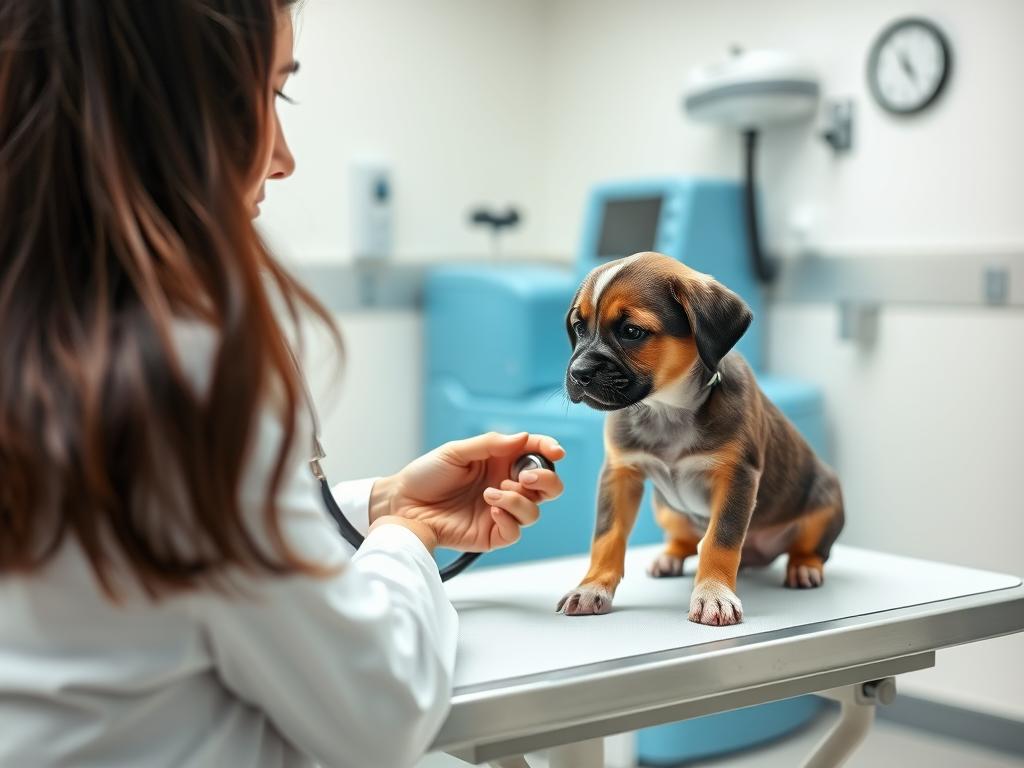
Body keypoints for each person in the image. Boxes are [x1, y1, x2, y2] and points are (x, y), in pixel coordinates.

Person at [0, 2, 565, 766]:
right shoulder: (175, 371)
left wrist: (380, 504)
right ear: (163, 112)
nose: (284, 157)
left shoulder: (48, 336)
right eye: (267, 94)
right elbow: (381, 708)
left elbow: (173, 555)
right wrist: (407, 537)